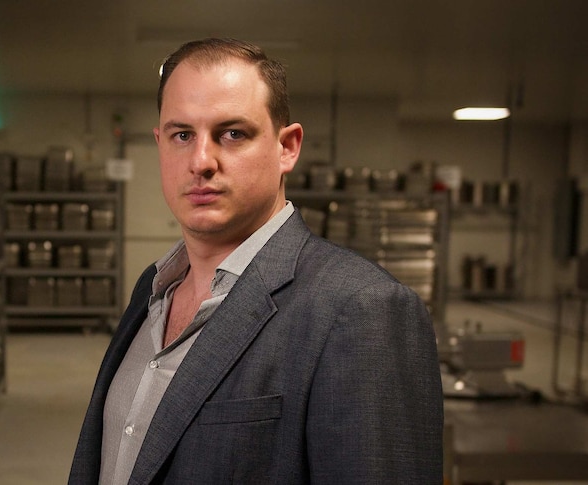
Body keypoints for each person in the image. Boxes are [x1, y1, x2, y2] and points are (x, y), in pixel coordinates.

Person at [69, 38, 443, 484]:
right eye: (182, 135)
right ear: (160, 145)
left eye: (233, 134)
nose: (201, 161)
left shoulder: (361, 309)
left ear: (287, 147)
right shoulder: (153, 288)